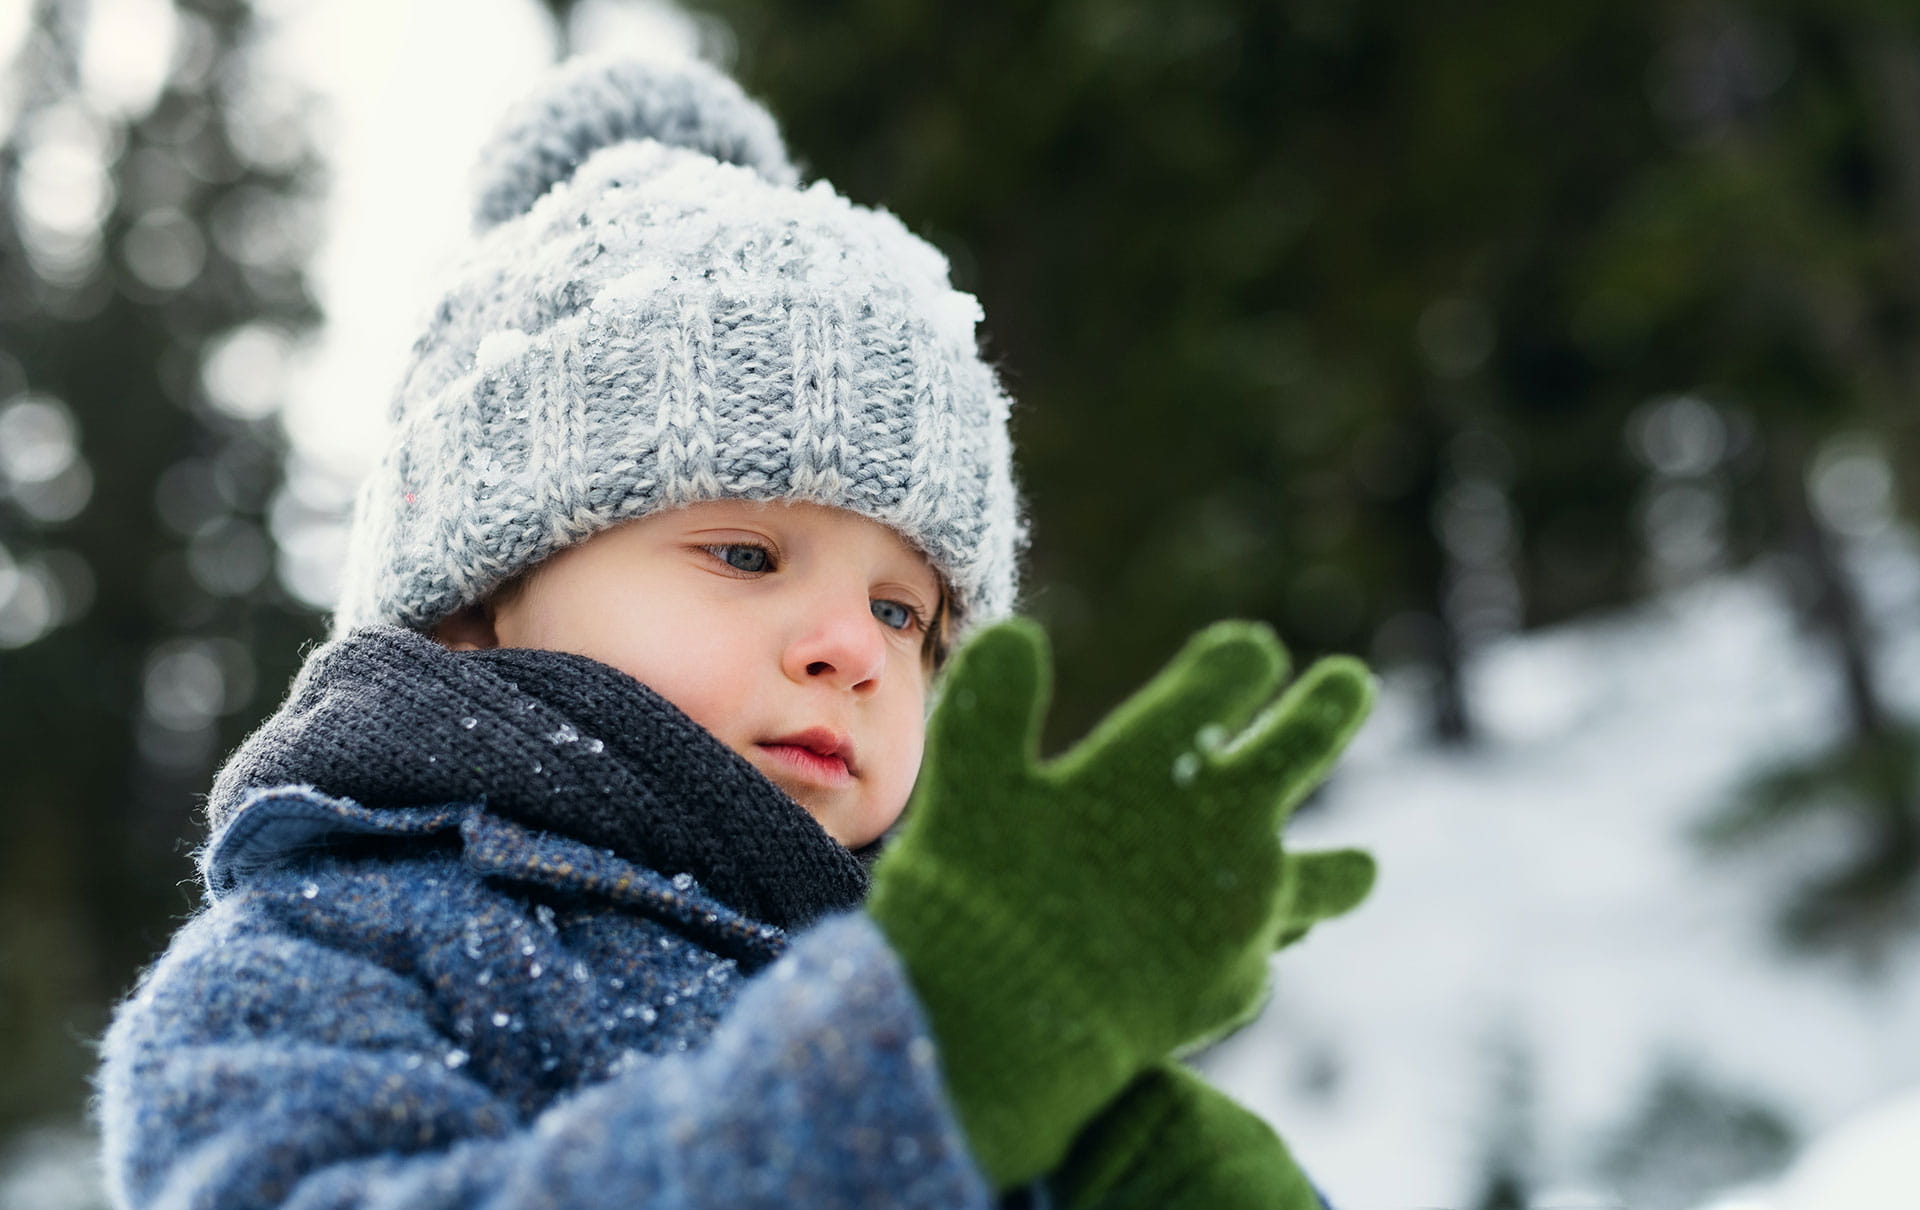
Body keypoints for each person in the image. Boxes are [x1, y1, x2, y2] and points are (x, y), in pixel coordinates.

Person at [92, 54, 1376, 1210]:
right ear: (476, 599)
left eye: (903, 610)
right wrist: (917, 1080)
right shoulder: (324, 949)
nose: (855, 649)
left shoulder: (934, 970)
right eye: (747, 554)